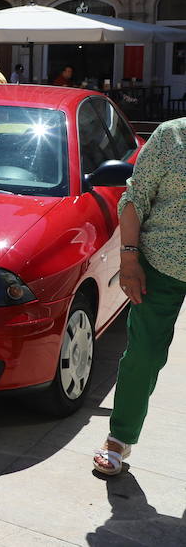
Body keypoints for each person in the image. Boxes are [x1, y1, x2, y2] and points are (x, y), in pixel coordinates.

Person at [92, 117, 186, 476]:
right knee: (143, 355)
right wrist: (128, 259)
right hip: (160, 266)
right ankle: (120, 437)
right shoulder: (171, 136)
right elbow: (134, 198)